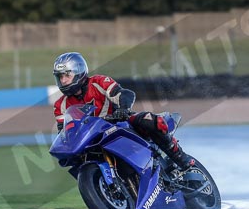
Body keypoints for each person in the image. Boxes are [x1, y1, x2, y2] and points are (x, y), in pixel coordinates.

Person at [52, 51, 196, 170]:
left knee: (148, 120)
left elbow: (124, 94)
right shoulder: (60, 105)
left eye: (67, 75)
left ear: (79, 72)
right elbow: (63, 131)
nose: (63, 81)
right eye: (60, 77)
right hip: (91, 140)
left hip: (118, 123)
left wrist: (123, 109)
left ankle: (180, 157)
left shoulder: (99, 82)